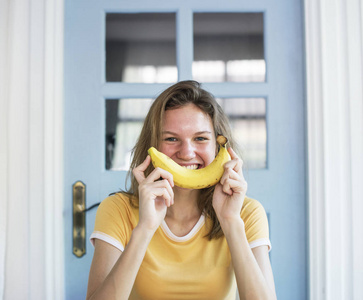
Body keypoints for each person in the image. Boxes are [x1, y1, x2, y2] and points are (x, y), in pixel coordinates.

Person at [86, 80, 276, 300]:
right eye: (171, 138)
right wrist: (145, 227)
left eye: (201, 138)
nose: (186, 153)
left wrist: (231, 222)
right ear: (153, 146)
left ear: (218, 146)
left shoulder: (246, 213)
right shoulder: (118, 210)